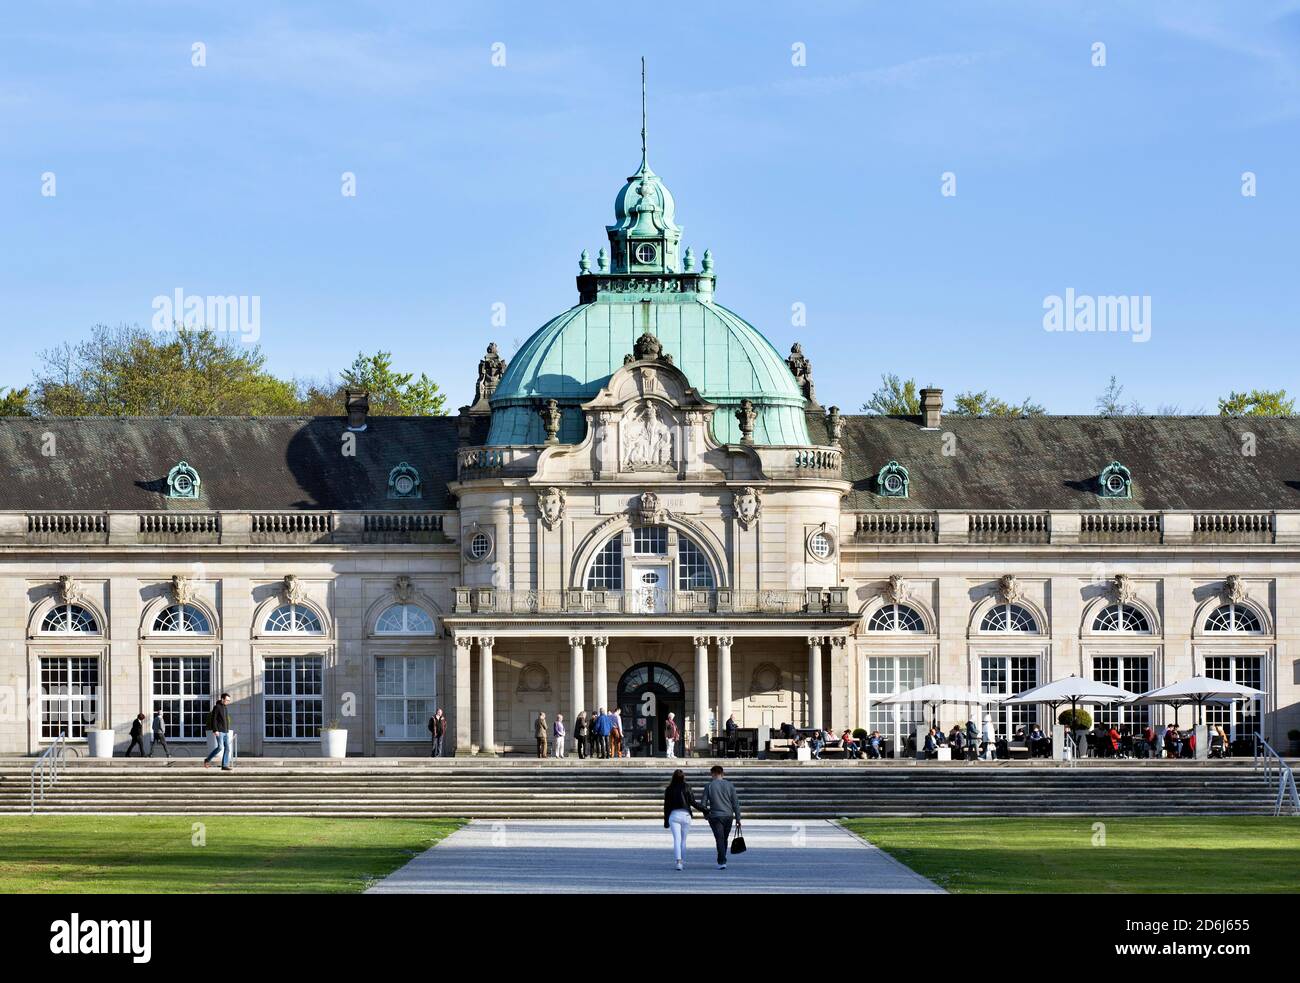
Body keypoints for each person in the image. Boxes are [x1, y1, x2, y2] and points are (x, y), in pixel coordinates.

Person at [700, 764, 742, 869]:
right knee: (724, 838)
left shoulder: (709, 786)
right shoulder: (730, 785)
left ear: (713, 774)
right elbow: (735, 803)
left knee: (719, 838)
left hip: (715, 816)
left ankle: (722, 861)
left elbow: (703, 803)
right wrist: (738, 818)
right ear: (722, 773)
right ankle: (723, 858)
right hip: (728, 815)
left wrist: (706, 814)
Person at [662, 768, 698, 870]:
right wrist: (705, 810)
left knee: (676, 840)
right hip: (686, 815)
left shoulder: (669, 789)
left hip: (674, 815)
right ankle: (682, 861)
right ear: (683, 777)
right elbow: (693, 802)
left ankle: (678, 862)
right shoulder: (687, 787)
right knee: (683, 840)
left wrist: (665, 821)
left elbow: (666, 806)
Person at [203, 693, 234, 771]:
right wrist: (215, 730)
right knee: (220, 747)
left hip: (226, 731)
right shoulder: (217, 707)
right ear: (222, 699)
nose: (228, 702)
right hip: (219, 731)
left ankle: (224, 765)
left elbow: (226, 720)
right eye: (227, 700)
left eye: (229, 700)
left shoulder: (225, 708)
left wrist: (227, 729)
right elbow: (214, 719)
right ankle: (207, 760)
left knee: (227, 748)